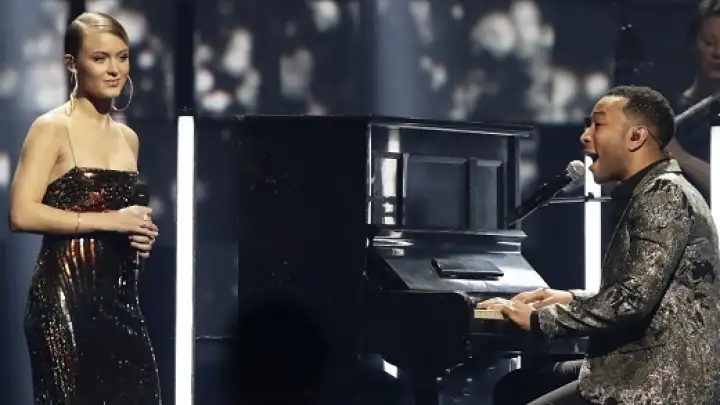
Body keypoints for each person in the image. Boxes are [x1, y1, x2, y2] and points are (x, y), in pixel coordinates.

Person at [478, 85, 720, 405]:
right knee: (516, 387)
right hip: (640, 365)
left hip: (662, 380)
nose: (585, 136)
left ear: (636, 137)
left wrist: (539, 319)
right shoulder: (654, 189)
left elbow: (632, 300)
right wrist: (568, 297)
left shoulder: (664, 194)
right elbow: (645, 292)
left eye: (598, 124)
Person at [9, 12, 162, 404]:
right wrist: (113, 222)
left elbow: (122, 219)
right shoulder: (51, 128)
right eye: (100, 58)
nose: (115, 69)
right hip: (64, 301)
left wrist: (140, 234)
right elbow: (21, 213)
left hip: (122, 302)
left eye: (122, 57)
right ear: (72, 63)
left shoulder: (128, 138)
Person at [664, 0, 720, 199]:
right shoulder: (667, 110)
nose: (717, 53)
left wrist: (681, 157)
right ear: (693, 44)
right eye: (709, 42)